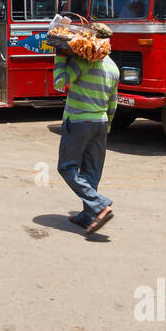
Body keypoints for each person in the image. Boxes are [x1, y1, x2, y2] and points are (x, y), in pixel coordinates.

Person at [53, 40, 120, 235]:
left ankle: (100, 205)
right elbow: (113, 103)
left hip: (79, 121)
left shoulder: (83, 62)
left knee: (66, 167)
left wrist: (60, 55)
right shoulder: (113, 67)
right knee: (91, 171)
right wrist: (106, 126)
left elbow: (59, 83)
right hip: (100, 123)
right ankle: (88, 216)